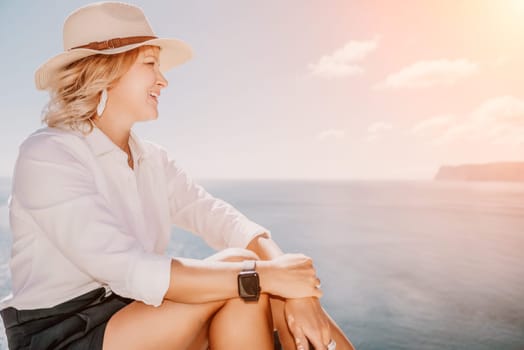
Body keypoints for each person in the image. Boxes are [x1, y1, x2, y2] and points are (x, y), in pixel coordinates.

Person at [0, 2, 355, 349]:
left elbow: (222, 220)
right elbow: (128, 269)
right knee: (241, 273)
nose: (163, 80)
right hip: (62, 333)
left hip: (134, 313)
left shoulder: (152, 159)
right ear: (105, 71)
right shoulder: (48, 154)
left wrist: (296, 287)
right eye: (151, 64)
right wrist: (276, 277)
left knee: (242, 294)